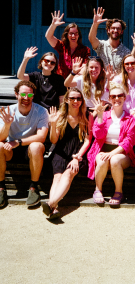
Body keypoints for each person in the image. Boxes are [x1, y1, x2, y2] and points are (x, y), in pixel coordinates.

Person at [41, 88, 90, 219]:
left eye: (79, 98)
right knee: (57, 177)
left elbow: (87, 140)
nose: (76, 101)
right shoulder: (60, 116)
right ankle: (53, 208)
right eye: (72, 98)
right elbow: (54, 140)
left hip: (78, 153)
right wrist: (53, 124)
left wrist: (77, 157)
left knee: (69, 173)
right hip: (61, 152)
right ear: (67, 100)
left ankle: (50, 204)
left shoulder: (86, 115)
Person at [0, 81, 49, 208]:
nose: (26, 98)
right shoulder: (7, 111)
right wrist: (7, 125)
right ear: (16, 95)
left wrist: (18, 142)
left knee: (36, 146)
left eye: (30, 95)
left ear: (33, 96)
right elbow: (1, 138)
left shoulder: (41, 111)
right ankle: (1, 187)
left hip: (29, 149)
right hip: (10, 149)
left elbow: (41, 136)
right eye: (23, 94)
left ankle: (33, 187)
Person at [87, 83, 135, 206]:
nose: (116, 99)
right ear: (109, 99)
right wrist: (99, 116)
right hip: (103, 149)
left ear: (124, 98)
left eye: (120, 96)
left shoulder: (130, 119)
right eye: (113, 96)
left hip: (121, 153)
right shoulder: (104, 115)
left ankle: (118, 191)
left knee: (114, 160)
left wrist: (112, 153)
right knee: (102, 160)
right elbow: (97, 136)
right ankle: (98, 189)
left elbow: (129, 142)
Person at [45, 11, 91, 78]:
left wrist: (72, 77)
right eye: (71, 33)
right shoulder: (61, 46)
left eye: (76, 33)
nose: (73, 36)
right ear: (67, 35)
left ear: (79, 35)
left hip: (75, 82)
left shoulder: (85, 50)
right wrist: (53, 25)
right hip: (60, 81)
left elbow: (85, 67)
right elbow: (48, 37)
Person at [88, 7, 130, 74]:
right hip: (102, 83)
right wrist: (95, 24)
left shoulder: (126, 51)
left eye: (118, 29)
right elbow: (92, 38)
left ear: (122, 32)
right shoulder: (101, 45)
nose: (115, 30)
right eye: (113, 28)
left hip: (118, 83)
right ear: (108, 30)